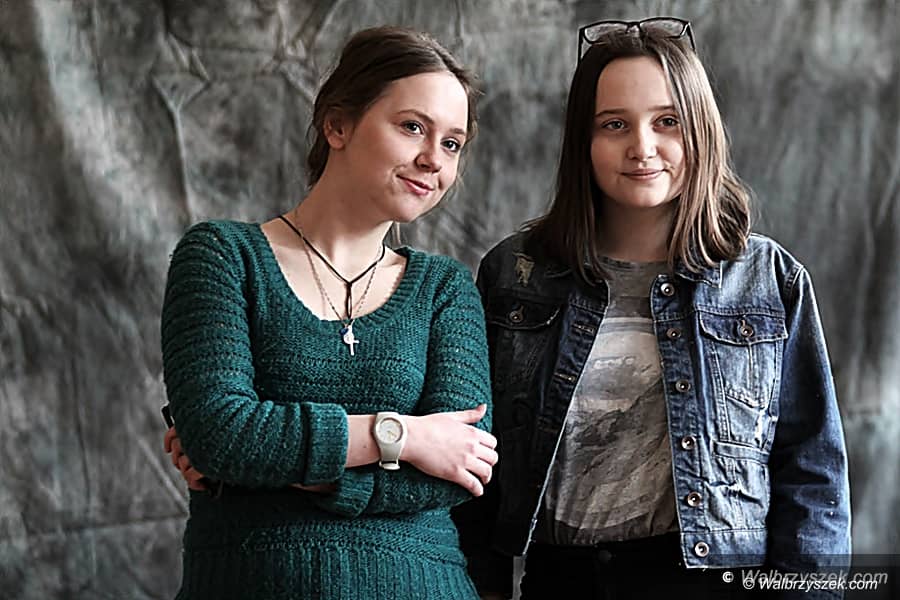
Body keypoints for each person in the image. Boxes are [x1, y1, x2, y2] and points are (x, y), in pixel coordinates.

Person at [451, 17, 851, 599]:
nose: (642, 147)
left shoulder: (768, 279)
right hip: (563, 583)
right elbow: (474, 463)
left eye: (668, 121)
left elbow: (812, 471)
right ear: (583, 142)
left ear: (700, 131)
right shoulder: (516, 274)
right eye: (614, 124)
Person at [159, 26, 498, 600]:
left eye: (452, 143)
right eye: (412, 126)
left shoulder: (445, 288)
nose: (432, 160)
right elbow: (221, 433)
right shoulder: (222, 256)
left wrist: (281, 470)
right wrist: (405, 436)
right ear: (337, 125)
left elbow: (460, 468)